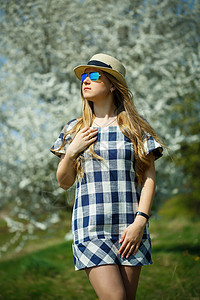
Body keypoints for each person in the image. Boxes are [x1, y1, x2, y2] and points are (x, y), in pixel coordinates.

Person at [50, 53, 164, 300]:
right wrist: (71, 152)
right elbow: (64, 182)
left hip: (130, 228)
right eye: (83, 77)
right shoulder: (74, 129)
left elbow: (148, 178)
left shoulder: (135, 128)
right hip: (90, 228)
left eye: (93, 75)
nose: (85, 81)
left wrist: (140, 222)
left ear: (113, 84)